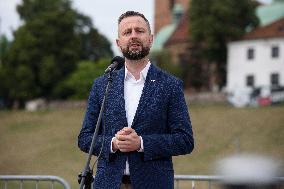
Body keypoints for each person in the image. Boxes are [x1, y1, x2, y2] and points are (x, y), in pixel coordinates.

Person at [78, 11, 194, 189]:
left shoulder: (170, 85)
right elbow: (85, 138)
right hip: (107, 184)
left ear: (151, 38)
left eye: (139, 31)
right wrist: (113, 144)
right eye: (127, 32)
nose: (133, 36)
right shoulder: (102, 85)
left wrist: (141, 143)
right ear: (118, 43)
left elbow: (185, 140)